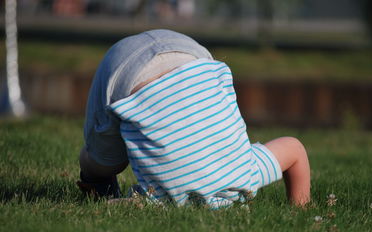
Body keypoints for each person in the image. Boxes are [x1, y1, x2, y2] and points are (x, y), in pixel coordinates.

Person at [77, 29, 310, 209]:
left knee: (108, 157)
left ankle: (97, 179)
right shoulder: (161, 201)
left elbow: (295, 149)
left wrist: (299, 208)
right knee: (106, 161)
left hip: (192, 56)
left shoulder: (246, 175)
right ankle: (97, 181)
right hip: (125, 67)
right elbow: (118, 208)